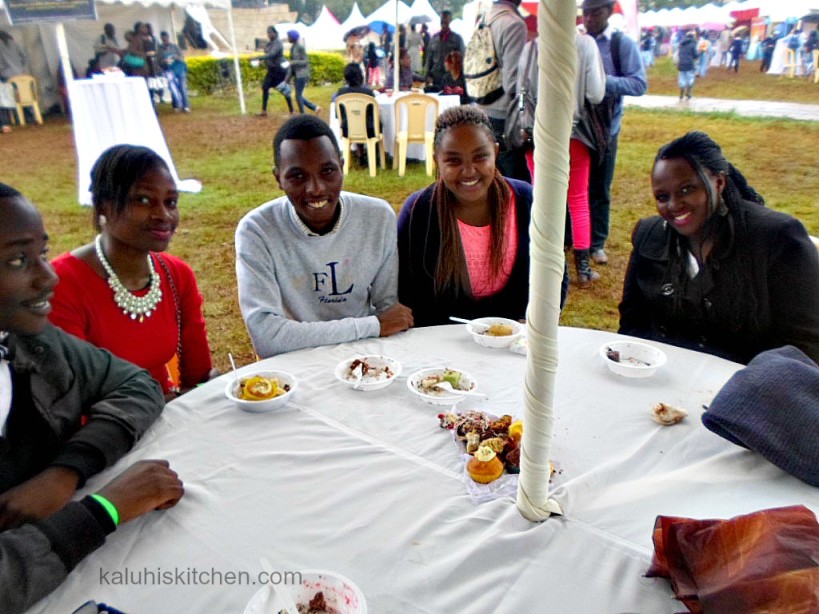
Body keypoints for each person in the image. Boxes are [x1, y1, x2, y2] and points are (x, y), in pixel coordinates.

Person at [0, 183, 180, 611]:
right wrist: (104, 509)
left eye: (43, 254)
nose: (49, 276)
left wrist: (66, 472)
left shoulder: (31, 343)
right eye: (19, 260)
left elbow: (136, 385)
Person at [618, 132, 819, 365]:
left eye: (687, 190)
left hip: (752, 389)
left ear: (719, 182)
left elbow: (804, 348)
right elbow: (632, 326)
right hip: (661, 385)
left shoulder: (777, 239)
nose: (673, 205)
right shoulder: (649, 236)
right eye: (662, 196)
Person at [235, 115, 413, 357]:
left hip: (365, 357)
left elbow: (389, 309)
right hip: (296, 361)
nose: (316, 188)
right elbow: (267, 337)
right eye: (297, 176)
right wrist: (372, 326)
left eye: (328, 171)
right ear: (278, 178)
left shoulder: (377, 217)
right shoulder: (256, 231)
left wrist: (378, 327)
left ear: (342, 166)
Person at [49, 145, 215, 400]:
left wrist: (210, 390)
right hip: (102, 432)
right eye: (144, 200)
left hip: (170, 416)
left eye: (171, 202)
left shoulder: (176, 275)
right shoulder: (62, 284)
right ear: (103, 205)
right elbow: (74, 398)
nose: (163, 215)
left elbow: (200, 377)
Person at [397, 106, 567, 327]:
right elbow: (403, 289)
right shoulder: (418, 210)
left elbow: (554, 274)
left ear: (495, 153)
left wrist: (535, 322)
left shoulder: (527, 202)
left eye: (480, 157)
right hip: (438, 347)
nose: (469, 171)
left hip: (511, 343)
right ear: (436, 159)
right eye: (454, 161)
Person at [522, 32, 607, 288]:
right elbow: (595, 93)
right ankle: (582, 270)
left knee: (541, 198)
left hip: (539, 132)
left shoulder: (532, 47)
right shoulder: (585, 44)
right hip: (575, 132)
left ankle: (540, 261)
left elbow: (518, 87)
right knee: (578, 199)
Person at [582, 0, 647, 266]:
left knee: (600, 186)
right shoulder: (579, 40)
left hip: (606, 128)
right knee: (575, 187)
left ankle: (597, 243)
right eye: (585, 13)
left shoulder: (622, 44)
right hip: (577, 126)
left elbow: (639, 83)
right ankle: (575, 238)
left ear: (609, 12)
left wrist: (601, 81)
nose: (588, 18)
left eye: (595, 12)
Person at [479, 0, 528, 181]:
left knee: (494, 184)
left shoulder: (485, 18)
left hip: (483, 107)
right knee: (516, 186)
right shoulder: (513, 23)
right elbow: (513, 83)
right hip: (504, 115)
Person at [333, 62, 377, 166]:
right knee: (374, 123)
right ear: (360, 75)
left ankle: (360, 153)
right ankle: (374, 154)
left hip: (347, 130)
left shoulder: (341, 94)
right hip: (368, 130)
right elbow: (374, 113)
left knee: (355, 121)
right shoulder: (368, 93)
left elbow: (337, 115)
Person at [257, 26, 293, 116]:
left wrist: (260, 57)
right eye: (268, 33)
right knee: (265, 87)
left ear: (275, 33)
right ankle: (264, 110)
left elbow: (272, 54)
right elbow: (267, 54)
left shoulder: (278, 43)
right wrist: (262, 60)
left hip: (279, 71)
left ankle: (292, 111)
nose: (269, 34)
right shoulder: (270, 43)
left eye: (270, 33)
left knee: (284, 90)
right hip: (271, 71)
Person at [425, 11, 465, 90]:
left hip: (451, 78)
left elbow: (462, 58)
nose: (443, 23)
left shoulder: (457, 39)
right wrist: (427, 75)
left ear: (450, 21)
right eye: (442, 21)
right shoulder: (434, 39)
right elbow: (429, 58)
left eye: (446, 20)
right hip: (436, 76)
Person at [287, 30, 321, 115]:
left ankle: (303, 114)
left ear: (293, 38)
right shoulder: (293, 48)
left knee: (298, 96)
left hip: (302, 74)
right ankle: (315, 108)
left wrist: (294, 62)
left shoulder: (300, 47)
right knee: (299, 96)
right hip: (297, 75)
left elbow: (305, 61)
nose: (288, 38)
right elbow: (292, 64)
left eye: (289, 37)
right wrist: (288, 77)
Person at [158, 31, 190, 112]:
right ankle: (176, 105)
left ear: (168, 38)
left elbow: (182, 57)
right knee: (172, 88)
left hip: (179, 69)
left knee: (182, 87)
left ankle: (185, 106)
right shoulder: (160, 49)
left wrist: (175, 57)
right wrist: (164, 61)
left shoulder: (175, 47)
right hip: (169, 70)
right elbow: (158, 61)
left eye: (166, 39)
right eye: (163, 39)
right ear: (161, 39)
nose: (165, 41)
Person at [676, 31, 699, 100]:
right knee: (690, 79)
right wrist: (700, 52)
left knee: (682, 79)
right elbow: (695, 56)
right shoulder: (693, 44)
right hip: (689, 64)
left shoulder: (681, 44)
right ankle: (688, 93)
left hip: (681, 64)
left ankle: (681, 94)